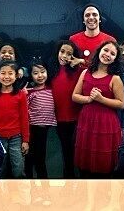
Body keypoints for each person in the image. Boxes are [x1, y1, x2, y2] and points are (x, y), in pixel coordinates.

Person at [72, 41, 124, 178]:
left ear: (115, 59)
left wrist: (101, 99)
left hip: (107, 124)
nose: (108, 55)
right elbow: (75, 96)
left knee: (104, 164)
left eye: (112, 54)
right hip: (87, 121)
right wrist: (89, 99)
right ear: (99, 51)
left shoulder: (115, 78)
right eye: (106, 50)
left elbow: (121, 104)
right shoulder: (85, 72)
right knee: (86, 163)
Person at [0, 60, 29, 178]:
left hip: (16, 137)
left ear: (16, 76)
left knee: (18, 168)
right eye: (3, 73)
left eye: (10, 73)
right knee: (0, 169)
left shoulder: (20, 95)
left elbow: (24, 118)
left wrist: (25, 140)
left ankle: (19, 194)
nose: (6, 77)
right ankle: (2, 194)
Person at [49, 40, 83, 178]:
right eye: (62, 52)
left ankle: (79, 180)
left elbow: (94, 69)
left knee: (77, 151)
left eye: (69, 54)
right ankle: (68, 178)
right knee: (66, 151)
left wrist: (80, 61)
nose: (64, 56)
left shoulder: (79, 70)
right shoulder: (51, 70)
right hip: (59, 118)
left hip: (77, 117)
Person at [25, 57, 56, 204]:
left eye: (42, 72)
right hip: (31, 129)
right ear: (31, 75)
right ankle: (32, 191)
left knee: (41, 161)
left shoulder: (52, 89)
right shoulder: (29, 92)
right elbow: (24, 110)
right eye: (36, 73)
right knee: (29, 161)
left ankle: (45, 192)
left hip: (44, 131)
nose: (40, 75)